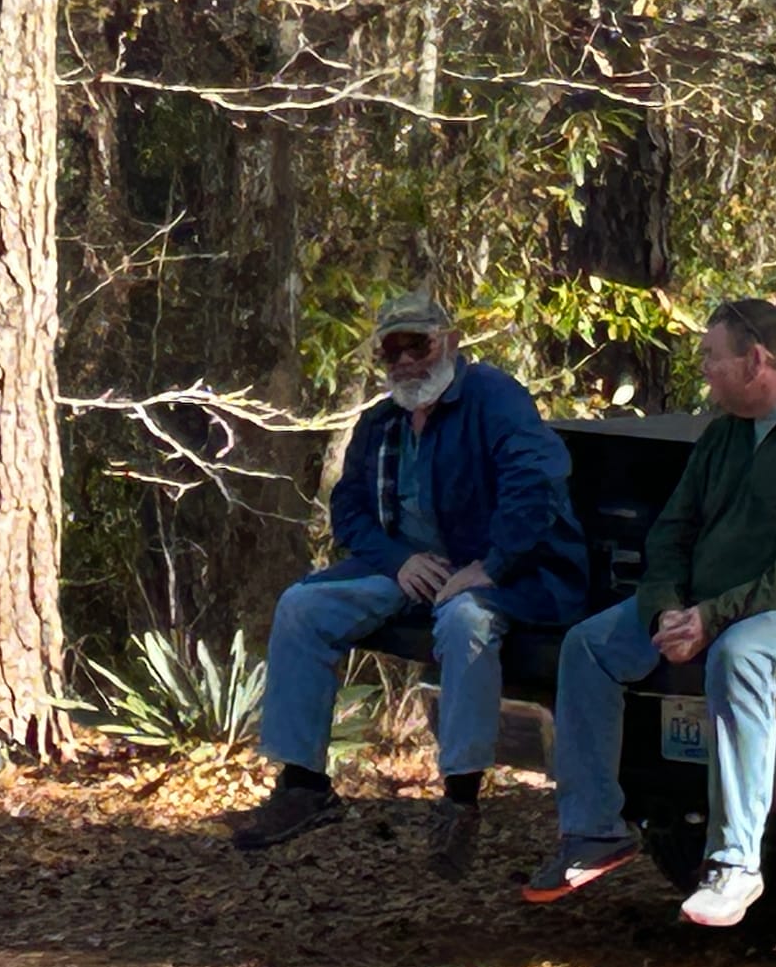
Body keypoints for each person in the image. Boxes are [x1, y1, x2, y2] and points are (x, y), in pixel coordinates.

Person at [523, 299, 776, 927]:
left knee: (741, 652)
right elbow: (672, 530)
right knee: (588, 646)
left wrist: (715, 617)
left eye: (713, 358)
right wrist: (665, 609)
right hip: (705, 608)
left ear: (756, 360)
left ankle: (735, 864)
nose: (705, 370)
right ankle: (594, 830)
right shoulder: (724, 434)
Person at [230, 291, 589, 878]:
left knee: (466, 620)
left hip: (506, 572)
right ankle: (302, 786)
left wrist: (492, 566)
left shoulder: (493, 398)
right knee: (301, 607)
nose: (403, 362)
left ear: (448, 342)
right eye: (390, 350)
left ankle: (460, 801)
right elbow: (348, 511)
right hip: (412, 574)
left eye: (416, 346)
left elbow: (537, 482)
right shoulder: (382, 423)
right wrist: (399, 561)